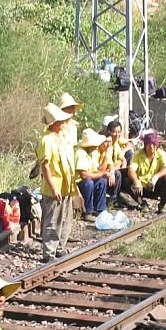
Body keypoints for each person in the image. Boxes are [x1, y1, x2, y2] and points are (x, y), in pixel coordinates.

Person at [37, 103, 75, 262]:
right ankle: (49, 253)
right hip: (55, 185)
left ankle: (59, 247)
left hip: (66, 184)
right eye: (61, 120)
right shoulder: (46, 140)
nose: (65, 123)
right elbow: (45, 166)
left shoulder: (62, 137)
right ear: (54, 123)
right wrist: (53, 187)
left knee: (65, 218)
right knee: (53, 219)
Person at [123, 131, 166, 214]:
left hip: (154, 186)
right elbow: (131, 169)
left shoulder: (161, 154)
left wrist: (156, 177)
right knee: (128, 181)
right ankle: (142, 203)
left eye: (154, 144)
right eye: (149, 144)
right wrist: (136, 180)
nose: (151, 147)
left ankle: (162, 204)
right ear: (145, 145)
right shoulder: (138, 154)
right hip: (141, 187)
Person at [74, 128, 110, 221]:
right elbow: (84, 175)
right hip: (78, 185)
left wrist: (104, 173)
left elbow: (96, 170)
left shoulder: (92, 153)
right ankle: (88, 212)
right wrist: (101, 174)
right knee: (88, 182)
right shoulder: (80, 153)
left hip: (88, 181)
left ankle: (99, 209)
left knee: (102, 181)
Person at [101, 118, 131, 208]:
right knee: (118, 173)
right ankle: (114, 199)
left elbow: (122, 159)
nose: (117, 134)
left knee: (126, 169)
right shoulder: (106, 143)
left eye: (119, 132)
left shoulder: (116, 143)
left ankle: (119, 195)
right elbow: (108, 163)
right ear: (109, 132)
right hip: (103, 171)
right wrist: (114, 169)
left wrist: (122, 164)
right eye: (114, 132)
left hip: (111, 170)